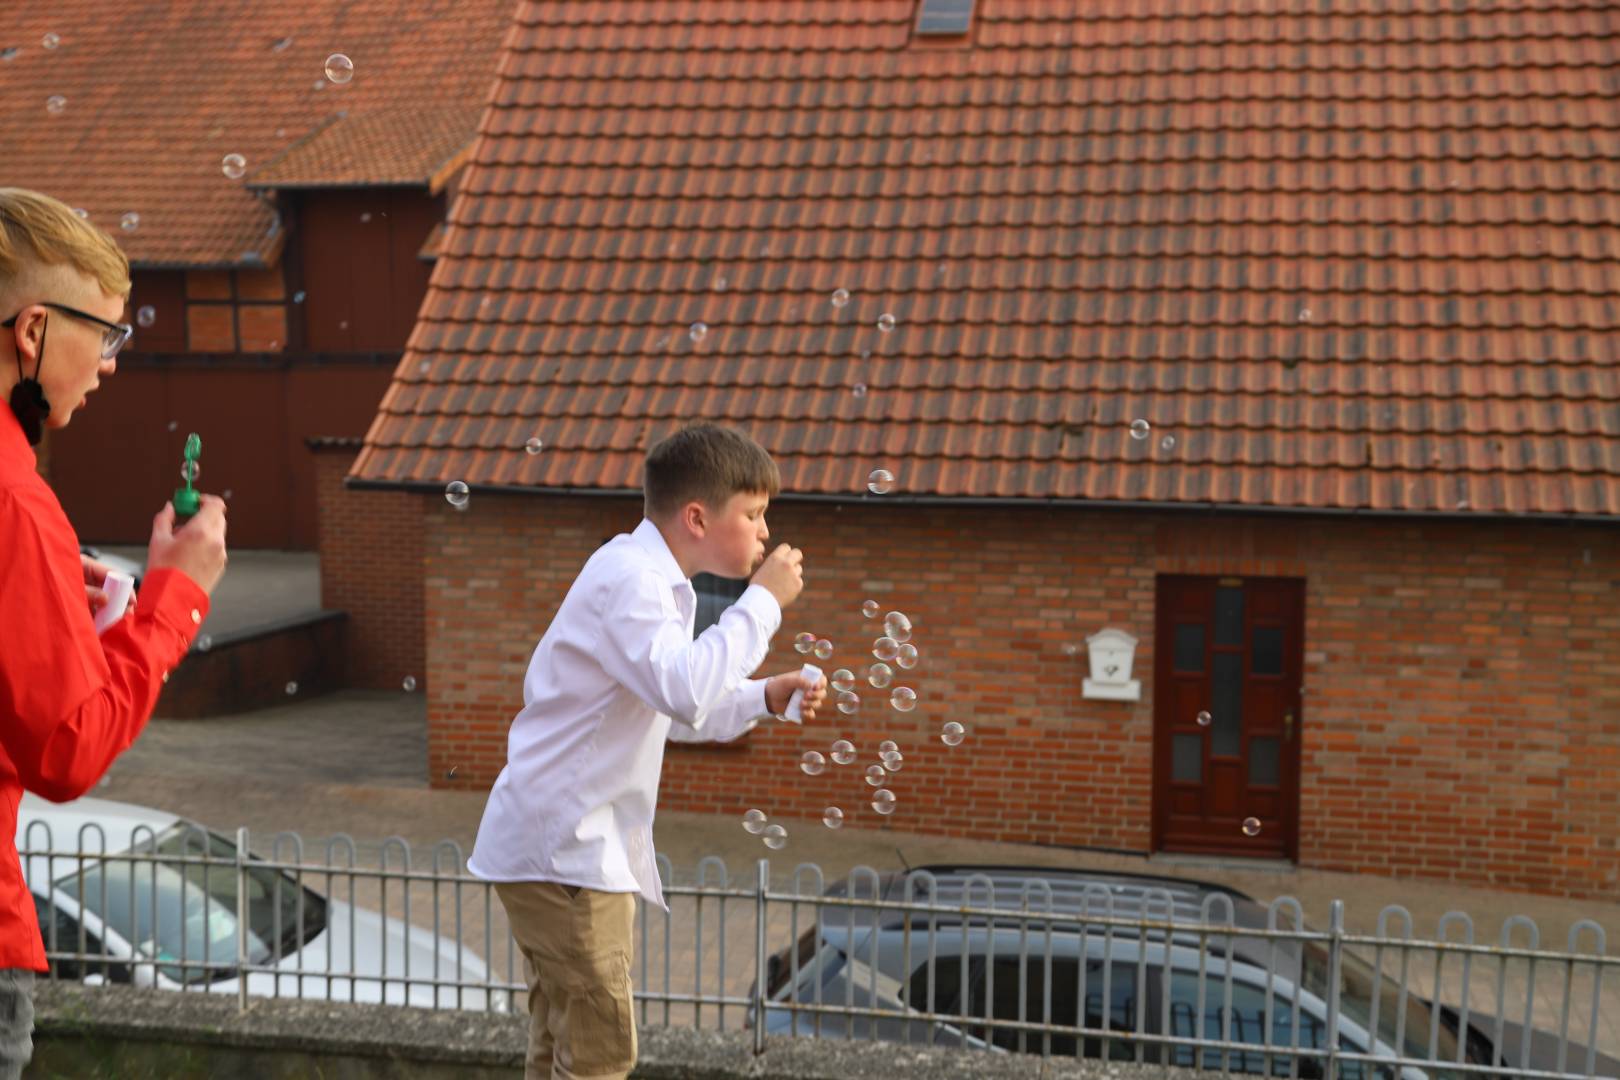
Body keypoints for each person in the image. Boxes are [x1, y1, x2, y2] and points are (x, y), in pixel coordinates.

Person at [469, 422, 826, 1079]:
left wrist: (764, 697)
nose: (764, 531)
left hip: (557, 850)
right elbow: (684, 691)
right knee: (599, 1054)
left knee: (559, 1042)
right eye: (753, 513)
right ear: (697, 517)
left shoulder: (646, 578)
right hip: (567, 856)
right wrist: (763, 601)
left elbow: (672, 709)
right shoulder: (633, 580)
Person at [0, 188, 228, 1078]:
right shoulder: (17, 502)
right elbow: (66, 752)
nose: (110, 363)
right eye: (103, 334)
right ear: (32, 332)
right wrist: (176, 596)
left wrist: (50, 598)